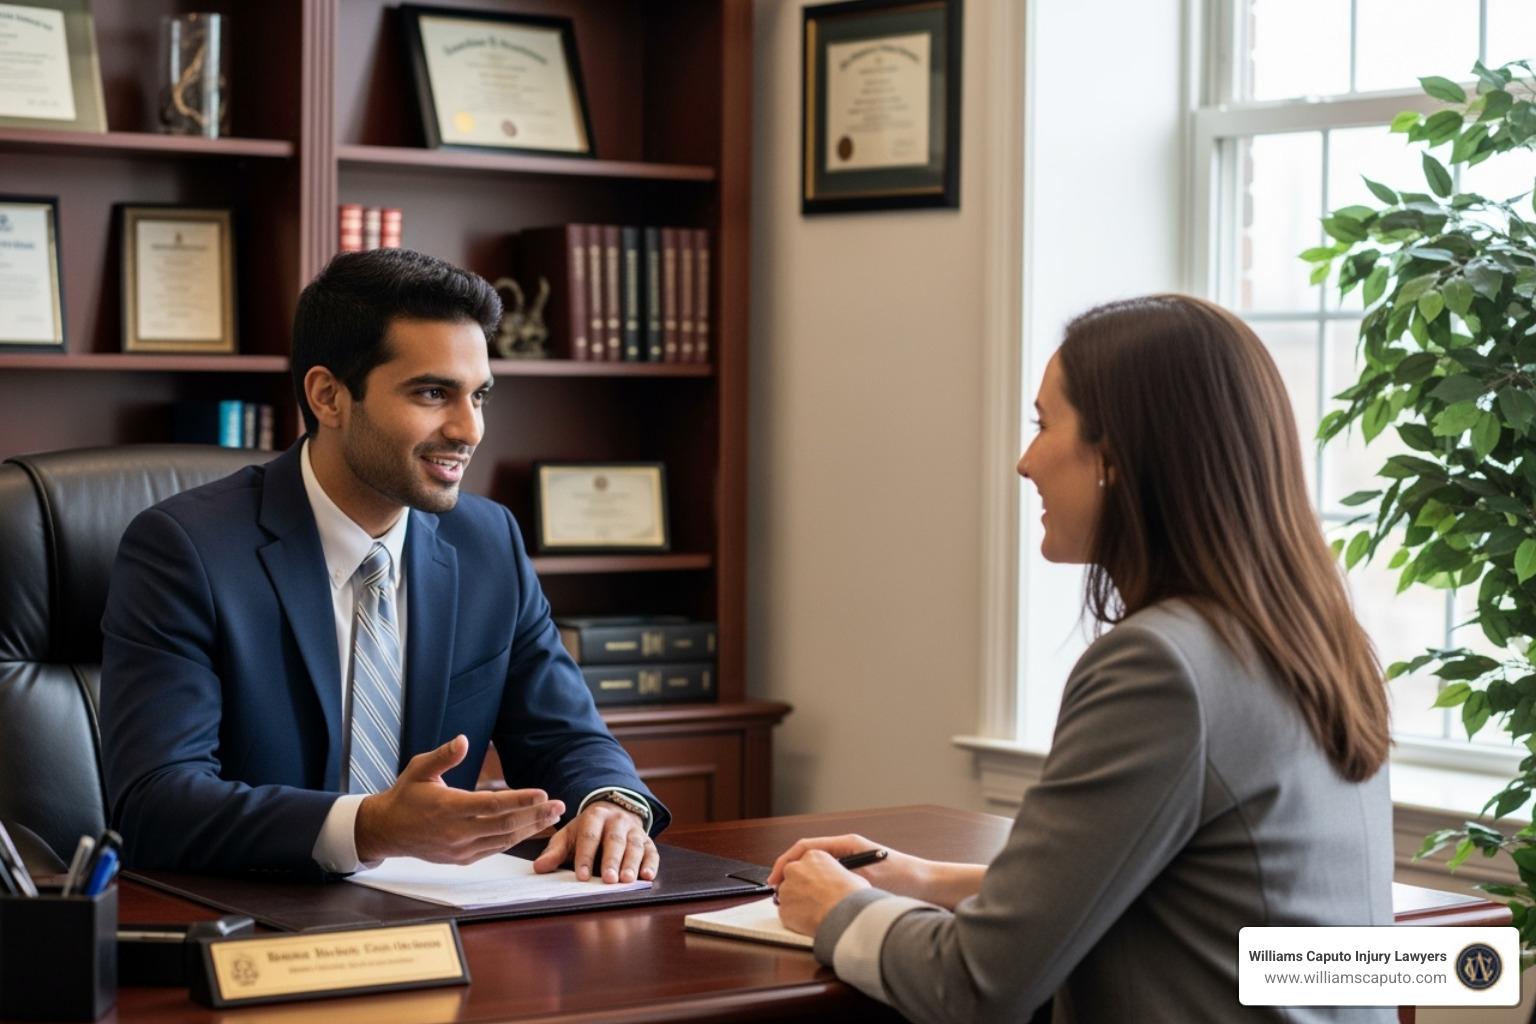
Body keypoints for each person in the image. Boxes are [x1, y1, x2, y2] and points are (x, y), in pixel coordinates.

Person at [769, 295, 1395, 1023]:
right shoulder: (1316, 636)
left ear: (1118, 457)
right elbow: (1179, 894)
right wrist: (927, 878)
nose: (1025, 461)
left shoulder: (1159, 669)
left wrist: (841, 910)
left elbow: (975, 983)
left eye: (1042, 425)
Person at [100, 248, 667, 883]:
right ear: (328, 396)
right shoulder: (186, 549)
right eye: (433, 393)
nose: (469, 428)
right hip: (253, 922)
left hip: (446, 923)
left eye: (479, 395)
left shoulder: (488, 542)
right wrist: (366, 827)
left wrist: (611, 804)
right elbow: (153, 803)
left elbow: (567, 736)